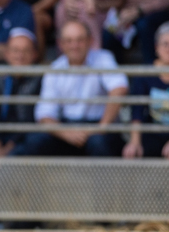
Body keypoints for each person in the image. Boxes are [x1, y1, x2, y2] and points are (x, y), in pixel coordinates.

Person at [12, 20, 127, 156]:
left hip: (99, 127)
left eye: (80, 40)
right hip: (65, 127)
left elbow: (119, 89)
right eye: (69, 41)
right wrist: (66, 133)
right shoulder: (55, 68)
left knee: (99, 143)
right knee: (34, 141)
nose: (75, 45)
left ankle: (104, 178)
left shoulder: (103, 58)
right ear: (60, 44)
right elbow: (45, 114)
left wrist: (101, 127)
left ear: (90, 41)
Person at [123, 21, 169, 159]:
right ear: (156, 47)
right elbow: (137, 112)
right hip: (152, 132)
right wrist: (135, 142)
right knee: (136, 151)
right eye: (165, 44)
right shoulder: (145, 73)